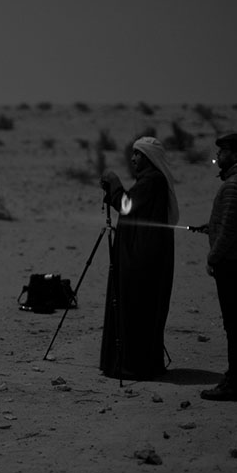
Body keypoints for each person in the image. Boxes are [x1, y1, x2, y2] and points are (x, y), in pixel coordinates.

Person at [98, 136, 179, 380]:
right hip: (144, 254)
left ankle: (132, 365)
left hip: (141, 258)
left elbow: (126, 206)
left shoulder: (152, 181)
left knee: (135, 306)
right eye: (132, 154)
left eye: (137, 155)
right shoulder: (150, 181)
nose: (132, 159)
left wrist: (113, 183)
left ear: (149, 158)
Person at [196, 133, 237, 401]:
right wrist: (211, 228)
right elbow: (230, 222)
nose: (219, 155)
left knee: (236, 325)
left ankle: (236, 383)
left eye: (223, 151)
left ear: (236, 154)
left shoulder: (236, 184)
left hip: (233, 262)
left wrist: (214, 257)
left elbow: (231, 230)